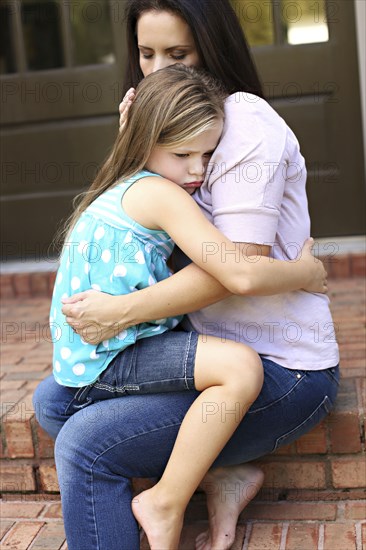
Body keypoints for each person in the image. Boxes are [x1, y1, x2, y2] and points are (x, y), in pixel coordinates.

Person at [33, 1, 339, 549]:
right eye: (145, 55)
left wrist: (304, 271)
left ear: (212, 48)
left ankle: (167, 499)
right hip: (202, 345)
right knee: (53, 401)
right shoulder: (166, 150)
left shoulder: (241, 126)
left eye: (178, 54)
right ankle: (215, 468)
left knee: (85, 444)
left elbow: (236, 273)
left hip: (282, 368)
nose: (157, 71)